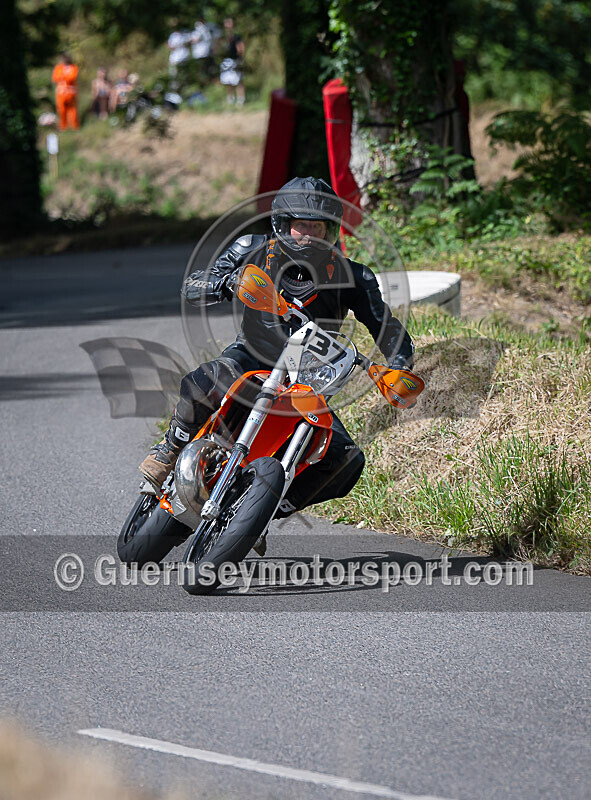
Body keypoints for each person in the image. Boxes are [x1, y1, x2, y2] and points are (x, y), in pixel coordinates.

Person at [139, 177, 415, 537]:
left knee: (346, 460)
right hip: (250, 356)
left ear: (331, 230)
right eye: (302, 225)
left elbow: (387, 328)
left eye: (318, 227)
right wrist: (223, 282)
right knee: (204, 380)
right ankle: (171, 446)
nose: (309, 235)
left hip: (307, 379)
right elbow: (194, 284)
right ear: (282, 224)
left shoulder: (355, 276)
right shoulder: (250, 248)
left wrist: (398, 365)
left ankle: (260, 513)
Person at [219, 17, 245, 105]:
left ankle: (241, 99)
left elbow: (241, 48)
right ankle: (230, 98)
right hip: (226, 61)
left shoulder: (236, 36)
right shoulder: (223, 37)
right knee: (228, 81)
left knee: (238, 80)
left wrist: (240, 59)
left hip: (236, 60)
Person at [51, 53, 80, 130]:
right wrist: (64, 77)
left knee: (72, 109)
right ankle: (63, 126)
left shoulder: (73, 67)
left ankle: (74, 126)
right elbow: (55, 78)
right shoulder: (58, 68)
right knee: (61, 109)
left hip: (71, 91)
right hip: (61, 92)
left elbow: (72, 77)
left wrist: (63, 77)